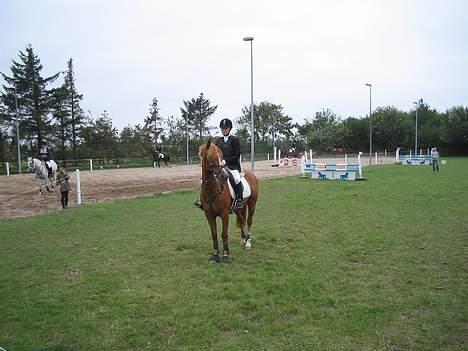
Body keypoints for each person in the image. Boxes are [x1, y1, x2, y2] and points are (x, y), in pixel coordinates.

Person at [194, 118, 244, 210]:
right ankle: (202, 200)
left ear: (230, 129)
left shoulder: (235, 140)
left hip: (232, 166)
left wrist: (225, 161)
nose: (224, 130)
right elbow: (214, 154)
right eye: (222, 128)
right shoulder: (218, 141)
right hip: (220, 166)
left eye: (226, 128)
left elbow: (236, 155)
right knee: (204, 180)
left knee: (236, 178)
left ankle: (239, 200)